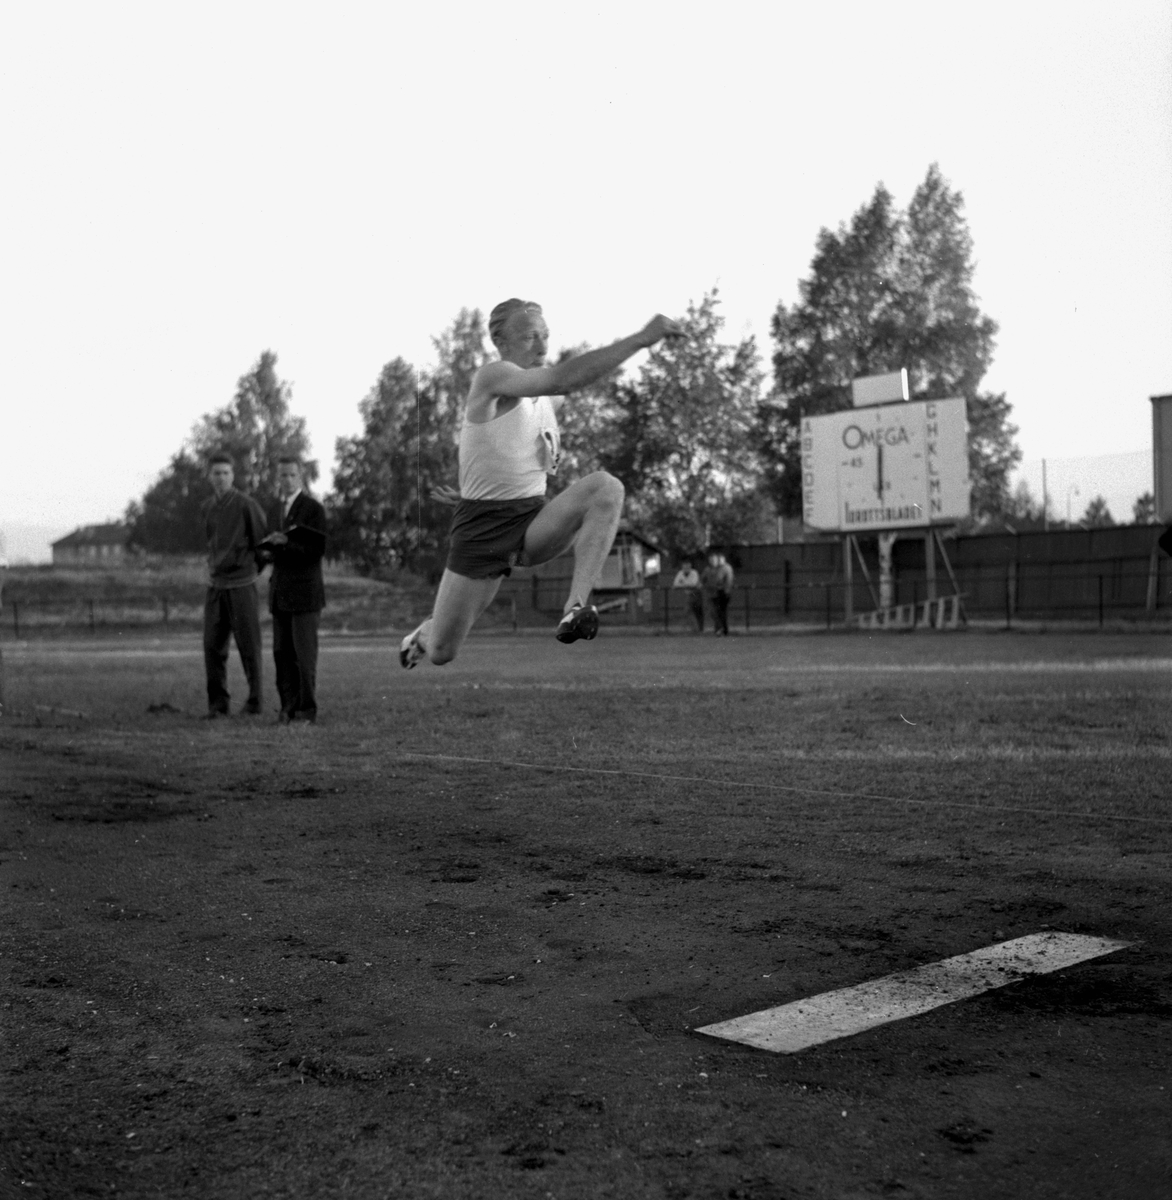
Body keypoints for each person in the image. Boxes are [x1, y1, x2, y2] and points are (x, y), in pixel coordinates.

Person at [400, 298, 681, 669]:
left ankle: (576, 607)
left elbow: (514, 445)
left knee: (606, 488)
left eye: (546, 336)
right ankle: (424, 634)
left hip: (533, 521)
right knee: (441, 652)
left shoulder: (548, 400)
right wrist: (641, 339)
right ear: (500, 340)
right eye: (531, 336)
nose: (543, 346)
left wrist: (483, 484)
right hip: (482, 532)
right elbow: (564, 377)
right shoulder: (492, 377)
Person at [261, 457, 326, 724]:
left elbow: (316, 551)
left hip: (305, 595)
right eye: (282, 476)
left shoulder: (313, 509)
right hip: (280, 593)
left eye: (291, 475)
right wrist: (266, 551)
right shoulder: (274, 510)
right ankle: (287, 707)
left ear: (301, 477)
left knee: (304, 655)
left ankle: (306, 710)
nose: (286, 480)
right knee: (281, 654)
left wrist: (286, 543)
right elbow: (272, 550)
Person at [201, 453, 267, 717]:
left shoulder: (246, 505)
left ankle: (254, 702)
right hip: (216, 586)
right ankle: (218, 705)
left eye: (226, 473)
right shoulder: (206, 507)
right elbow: (210, 544)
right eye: (216, 473)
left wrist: (248, 571)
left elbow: (262, 546)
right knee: (212, 647)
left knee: (249, 646)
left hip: (242, 585)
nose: (221, 478)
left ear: (233, 475)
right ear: (209, 476)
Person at [702, 550, 735, 636]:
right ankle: (721, 629)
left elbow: (727, 580)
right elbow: (704, 579)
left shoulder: (725, 568)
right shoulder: (709, 569)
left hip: (721, 593)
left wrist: (726, 590)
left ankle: (721, 629)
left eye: (715, 560)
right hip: (714, 593)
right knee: (716, 612)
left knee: (719, 612)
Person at [672, 559, 704, 632]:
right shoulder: (680, 573)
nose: (686, 569)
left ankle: (700, 629)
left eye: (688, 567)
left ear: (690, 567)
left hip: (697, 594)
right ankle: (695, 629)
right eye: (684, 567)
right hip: (690, 594)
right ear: (682, 567)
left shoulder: (694, 572)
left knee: (698, 612)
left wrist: (682, 584)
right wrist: (686, 585)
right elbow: (675, 584)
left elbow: (694, 584)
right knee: (687, 611)